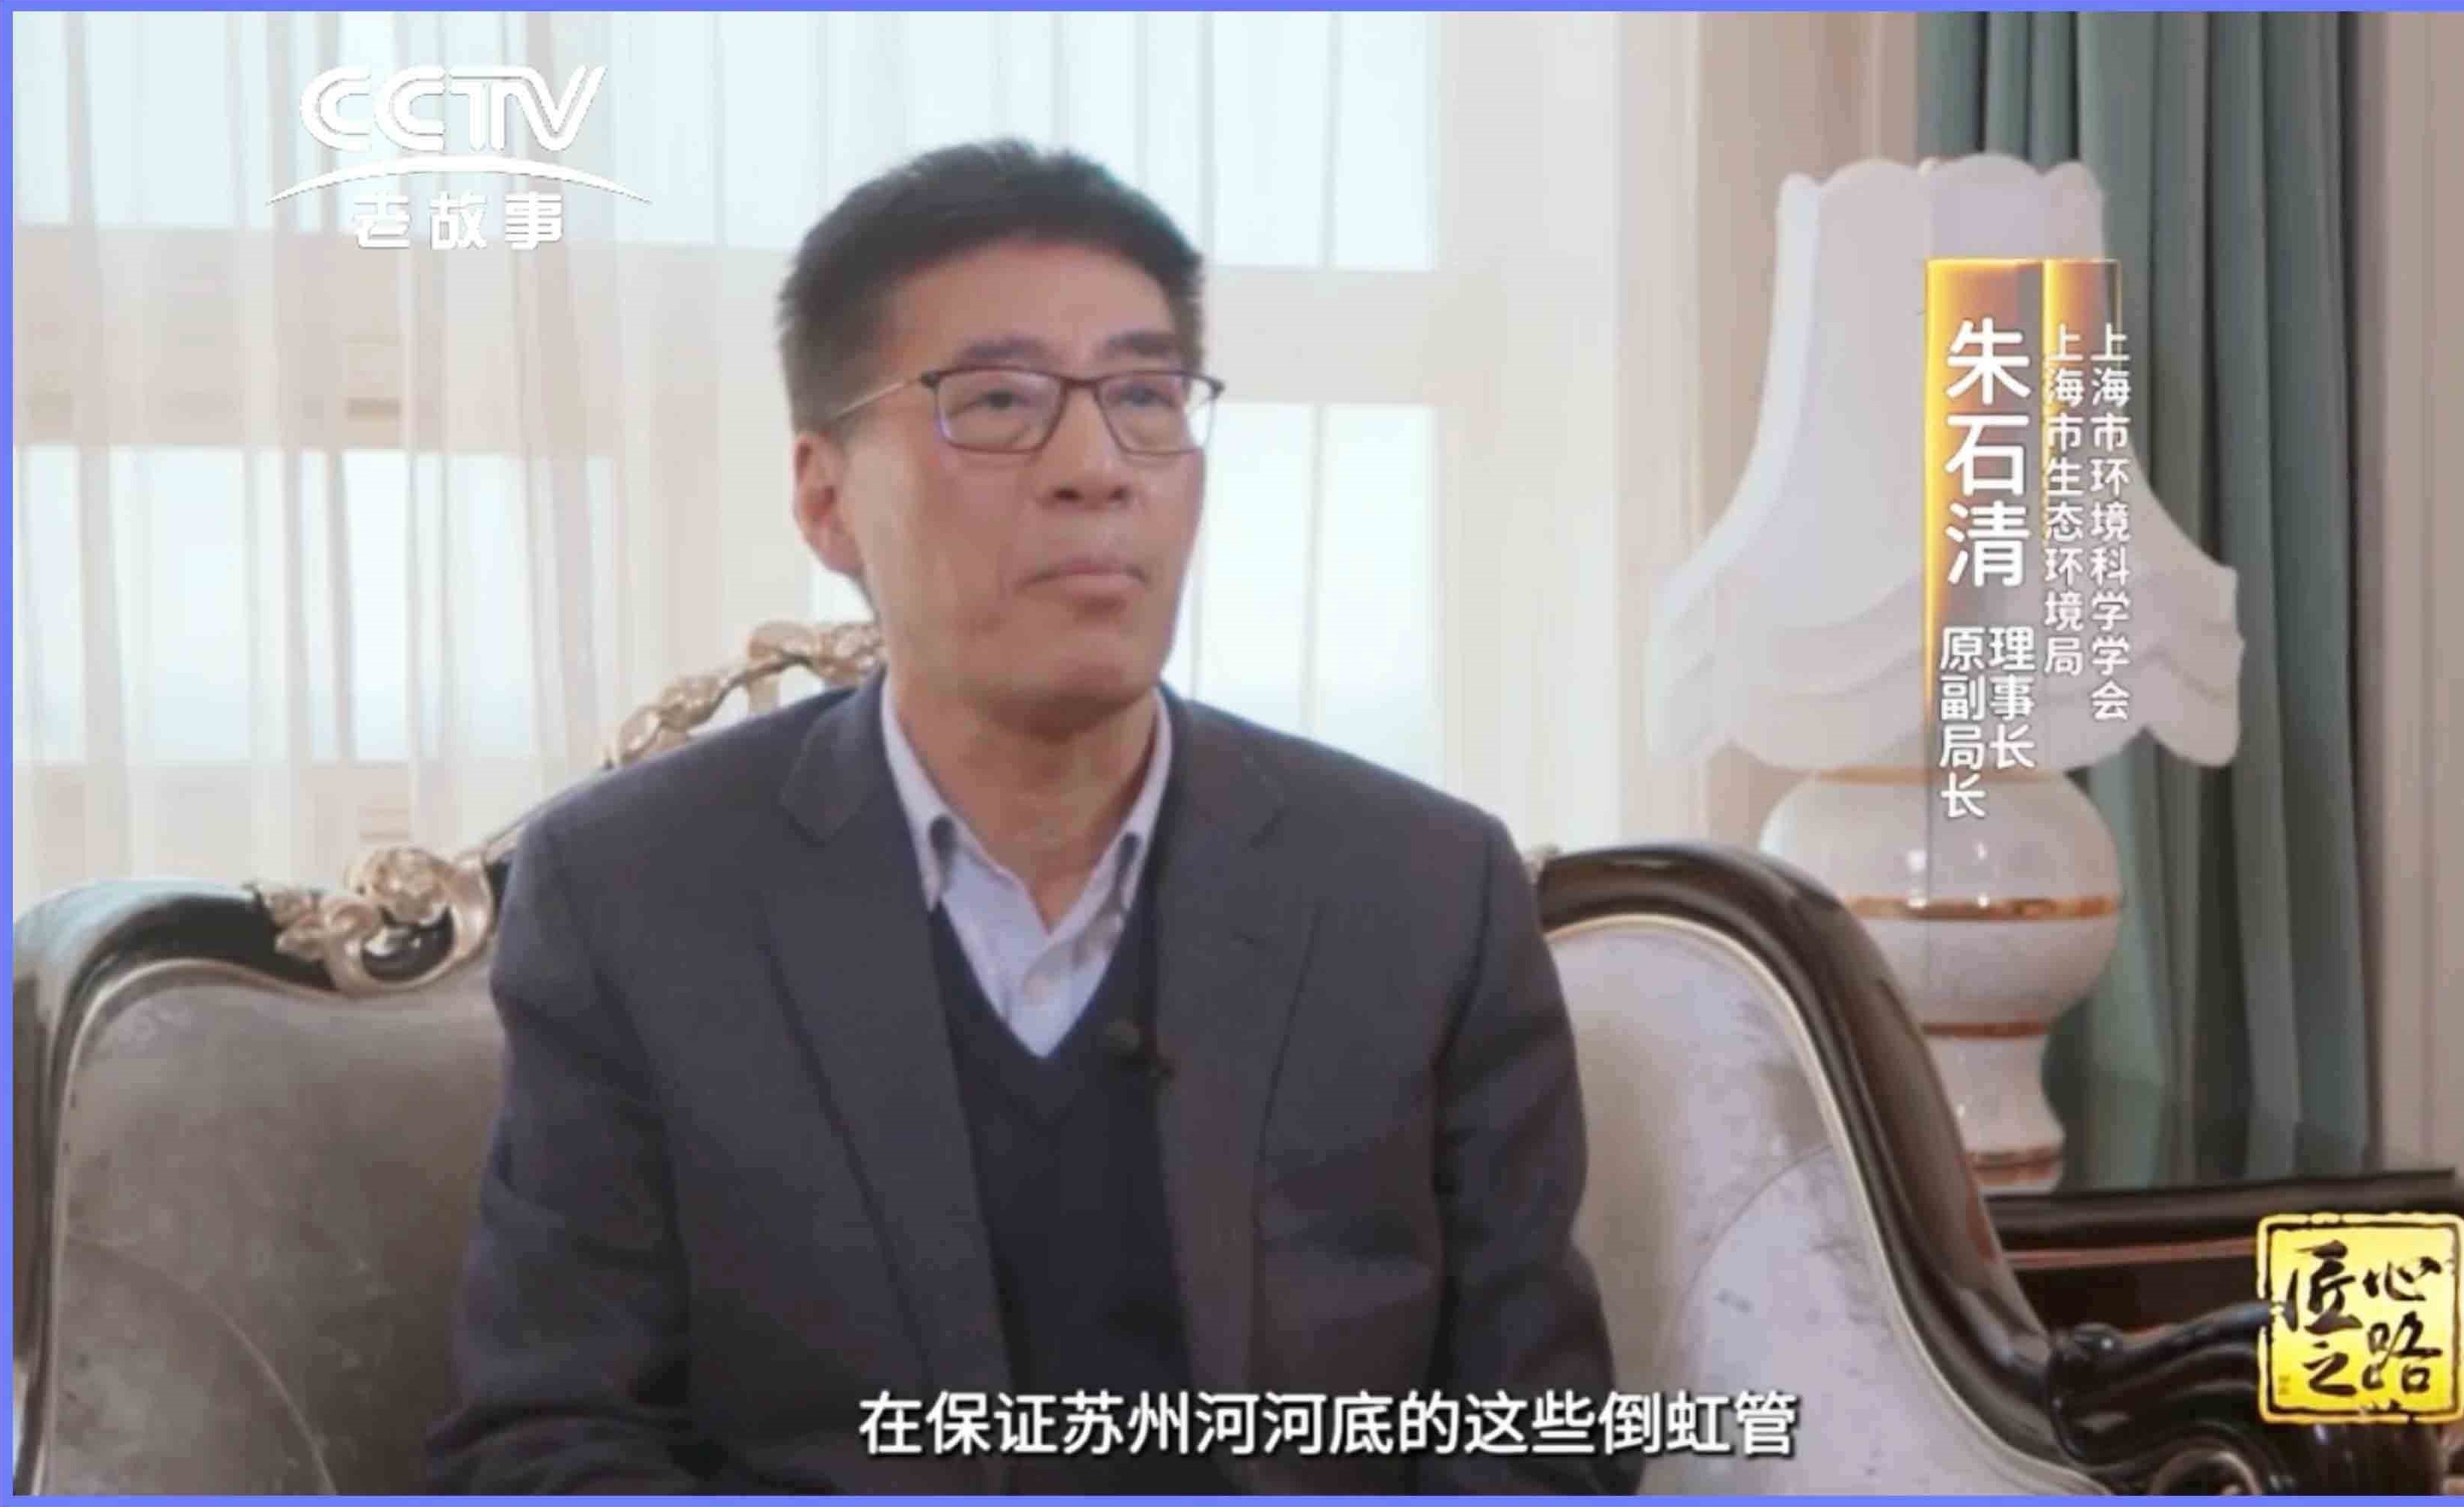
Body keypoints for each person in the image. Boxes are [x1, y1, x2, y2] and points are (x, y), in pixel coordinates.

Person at [428, 139, 1629, 1494]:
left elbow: (1544, 1440)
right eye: (998, 401)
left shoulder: (1424, 892)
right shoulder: (637, 894)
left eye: (1145, 397)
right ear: (825, 496)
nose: (1096, 468)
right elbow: (546, 1437)